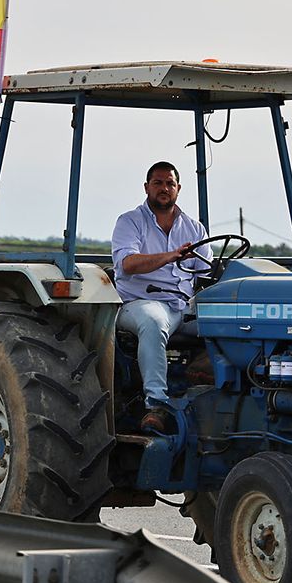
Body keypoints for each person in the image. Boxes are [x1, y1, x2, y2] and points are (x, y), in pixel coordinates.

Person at [111, 161, 208, 434]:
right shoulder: (130, 222)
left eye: (170, 183)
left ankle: (213, 390)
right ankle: (156, 406)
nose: (164, 188)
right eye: (158, 183)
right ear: (147, 187)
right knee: (153, 322)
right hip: (140, 303)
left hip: (183, 306)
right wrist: (171, 255)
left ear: (178, 189)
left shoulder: (194, 228)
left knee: (227, 321)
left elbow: (207, 272)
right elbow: (128, 264)